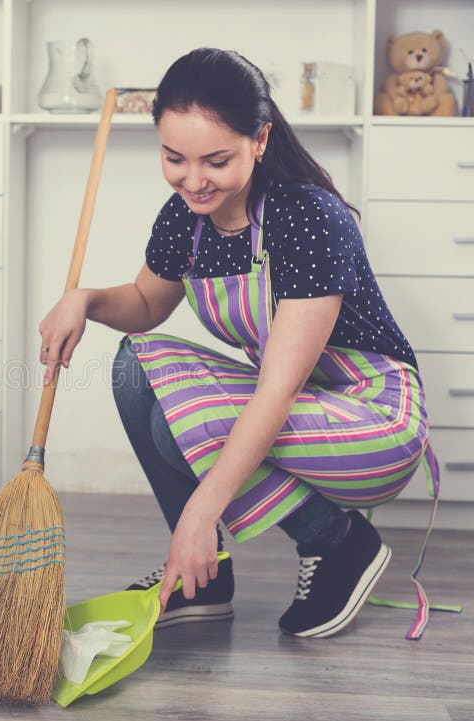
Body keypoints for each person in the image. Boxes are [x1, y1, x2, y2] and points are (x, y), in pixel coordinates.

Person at [38, 48, 438, 639]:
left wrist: (199, 515)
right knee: (136, 368)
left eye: (215, 160)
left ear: (260, 140)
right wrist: (86, 301)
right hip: (302, 408)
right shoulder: (186, 218)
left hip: (374, 417)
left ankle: (338, 542)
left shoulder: (307, 217)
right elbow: (147, 307)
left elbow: (278, 388)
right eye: (174, 158)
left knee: (187, 417)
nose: (193, 179)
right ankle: (207, 580)